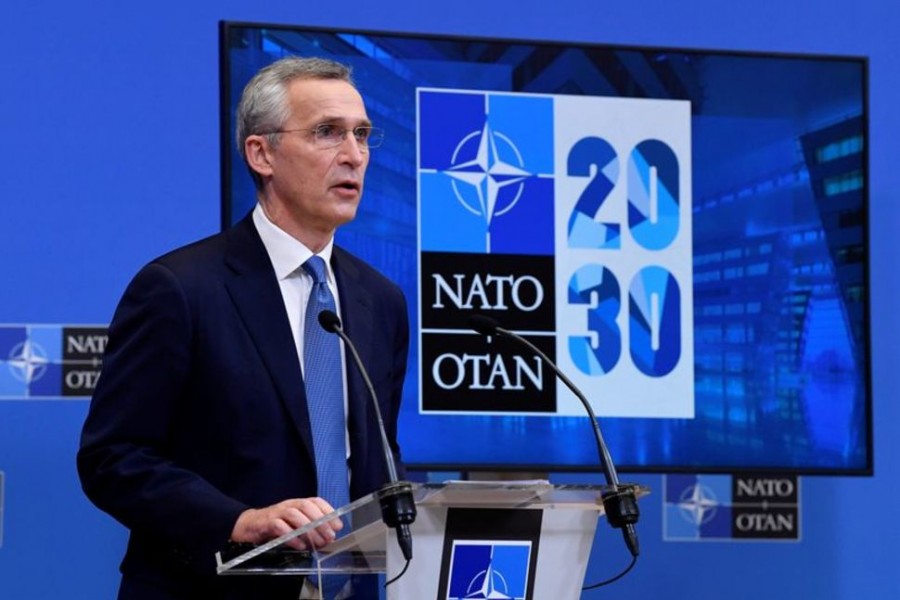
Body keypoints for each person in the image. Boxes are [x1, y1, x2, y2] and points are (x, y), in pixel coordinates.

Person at [77, 56, 410, 600]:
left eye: (362, 134)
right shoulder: (181, 288)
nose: (354, 154)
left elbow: (378, 457)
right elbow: (113, 458)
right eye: (327, 132)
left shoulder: (381, 300)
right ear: (261, 153)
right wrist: (238, 520)